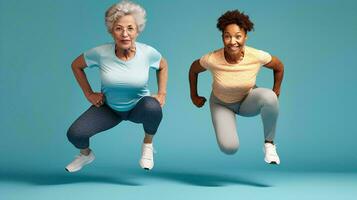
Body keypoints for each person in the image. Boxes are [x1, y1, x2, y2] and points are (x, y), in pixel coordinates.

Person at [66, 0, 168, 172]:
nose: (125, 34)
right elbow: (76, 65)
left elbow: (163, 65)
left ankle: (148, 145)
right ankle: (85, 155)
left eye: (130, 28)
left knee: (153, 107)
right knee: (75, 134)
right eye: (119, 28)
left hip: (138, 107)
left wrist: (162, 93)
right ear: (112, 31)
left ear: (137, 31)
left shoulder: (148, 53)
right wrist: (89, 93)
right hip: (109, 109)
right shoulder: (100, 52)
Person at [189, 10, 284, 164]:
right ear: (222, 38)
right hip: (221, 104)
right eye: (228, 36)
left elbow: (279, 66)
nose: (233, 41)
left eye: (238, 36)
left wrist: (276, 90)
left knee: (270, 97)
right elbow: (193, 70)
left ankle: (269, 144)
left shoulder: (256, 55)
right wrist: (194, 95)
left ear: (245, 37)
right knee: (230, 147)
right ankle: (229, 134)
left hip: (247, 100)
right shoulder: (212, 58)